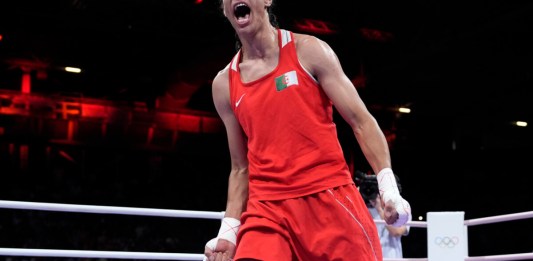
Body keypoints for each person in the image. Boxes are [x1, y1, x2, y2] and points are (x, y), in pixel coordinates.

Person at [204, 0, 411, 260]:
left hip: (328, 198)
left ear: (267, 1)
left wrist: (389, 189)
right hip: (266, 210)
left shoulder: (309, 51)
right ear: (224, 10)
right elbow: (240, 168)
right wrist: (229, 231)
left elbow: (362, 121)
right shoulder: (224, 85)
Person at [369, 193, 411, 258]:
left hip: (392, 257)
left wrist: (380, 210)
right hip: (371, 256)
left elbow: (397, 232)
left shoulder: (402, 208)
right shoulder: (364, 208)